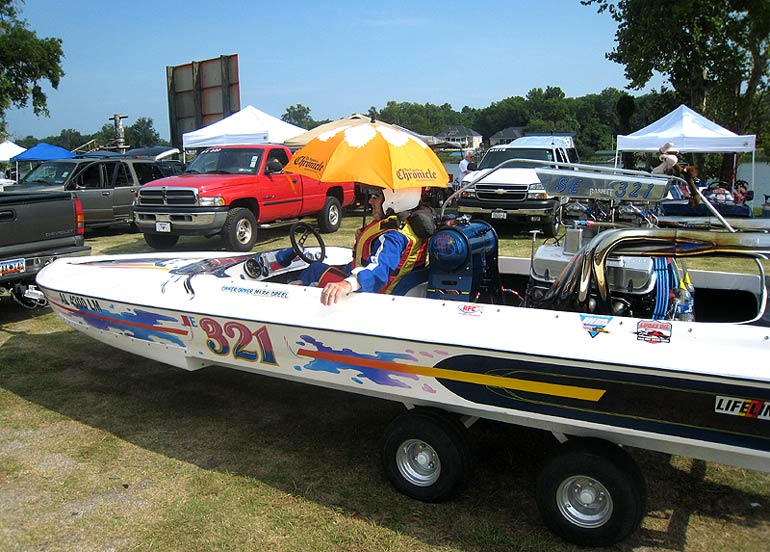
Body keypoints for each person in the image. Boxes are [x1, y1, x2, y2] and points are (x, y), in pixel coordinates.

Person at [299, 186, 433, 305]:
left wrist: (348, 284)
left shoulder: (393, 237)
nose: (370, 201)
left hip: (374, 294)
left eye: (376, 196)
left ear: (395, 201)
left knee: (314, 270)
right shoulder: (409, 227)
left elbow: (380, 269)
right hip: (380, 284)